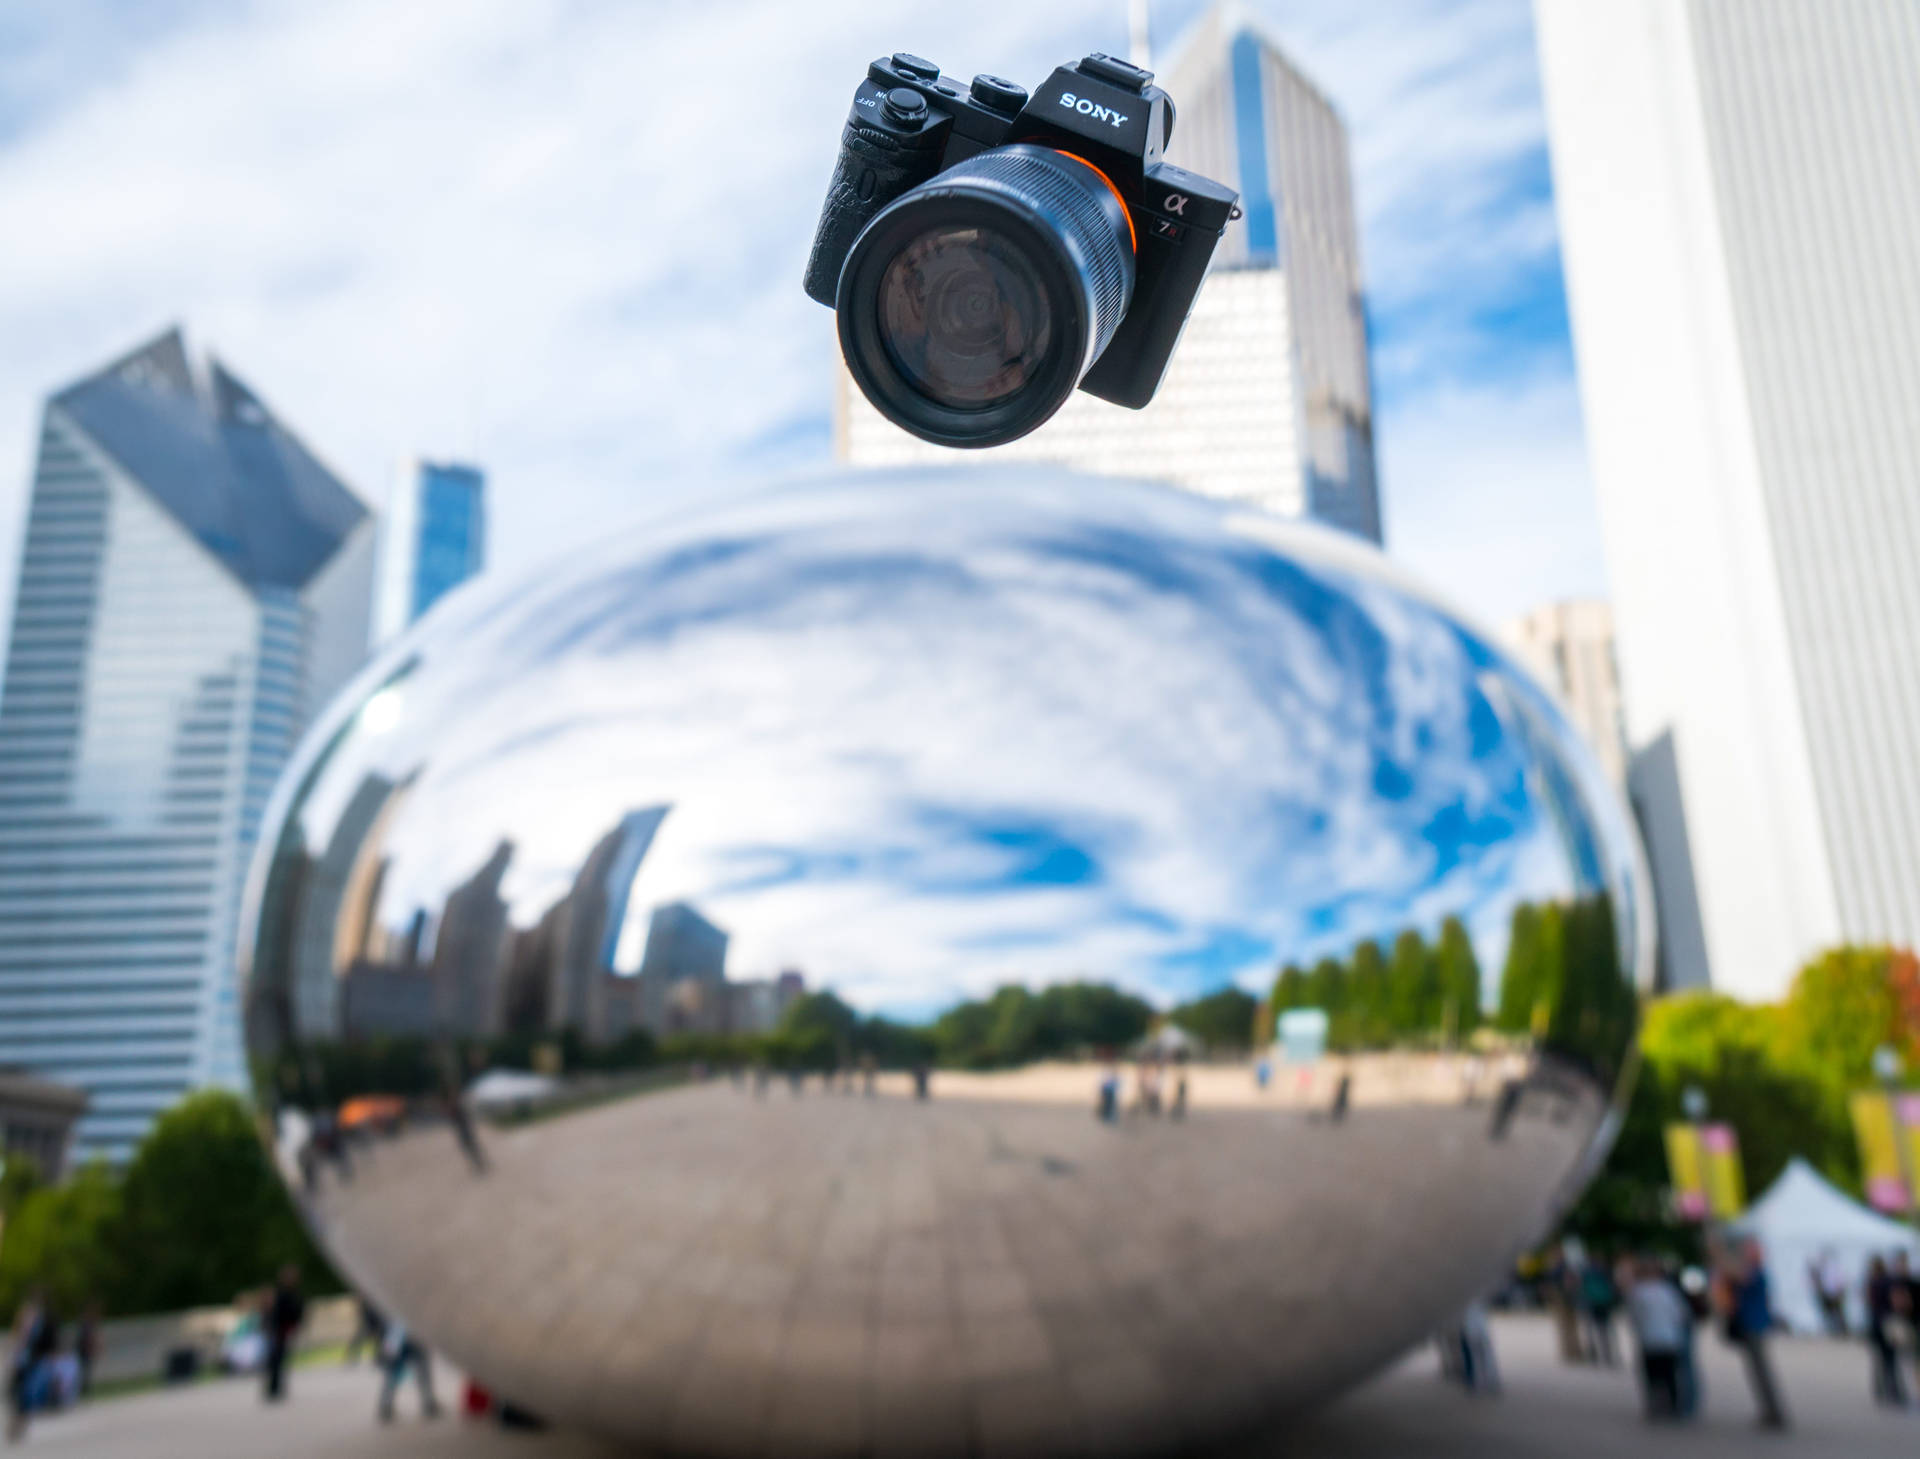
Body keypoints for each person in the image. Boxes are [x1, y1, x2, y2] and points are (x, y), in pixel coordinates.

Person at [1721, 1239, 1789, 1430]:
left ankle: (1773, 1413)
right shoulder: (1758, 1272)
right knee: (1759, 1373)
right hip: (1754, 1326)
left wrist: (1719, 1253)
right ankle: (1770, 1411)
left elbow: (1736, 1276)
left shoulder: (1756, 1273)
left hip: (1754, 1327)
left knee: (1761, 1372)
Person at [1626, 1257, 1691, 1419]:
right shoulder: (1668, 1291)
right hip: (1669, 1339)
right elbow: (1681, 1314)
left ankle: (1656, 1406)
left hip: (1650, 1340)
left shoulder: (1637, 1292)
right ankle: (1672, 1407)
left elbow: (1634, 1318)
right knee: (1669, 1376)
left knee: (1653, 1377)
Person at [6, 1288, 56, 1442]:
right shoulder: (29, 1318)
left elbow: (43, 1341)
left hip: (31, 1361)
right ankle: (15, 1426)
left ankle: (18, 1427)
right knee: (16, 1394)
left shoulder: (42, 1320)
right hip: (22, 1360)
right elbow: (18, 1338)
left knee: (26, 1396)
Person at [377, 1319, 442, 1423]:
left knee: (396, 1372)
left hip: (401, 1334)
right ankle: (428, 1403)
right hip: (403, 1333)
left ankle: (386, 1405)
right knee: (417, 1370)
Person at [1865, 1255, 1907, 1406]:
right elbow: (1899, 1302)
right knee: (1891, 1358)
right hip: (1889, 1321)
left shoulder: (1872, 1282)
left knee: (1879, 1358)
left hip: (1876, 1322)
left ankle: (1879, 1390)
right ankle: (1894, 1391)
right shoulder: (1890, 1281)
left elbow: (1868, 1300)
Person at [262, 1265, 306, 1402]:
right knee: (276, 1359)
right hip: (279, 1329)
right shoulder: (283, 1293)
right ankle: (273, 1388)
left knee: (279, 1360)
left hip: (283, 1329)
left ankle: (275, 1387)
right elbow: (277, 1313)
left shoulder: (289, 1292)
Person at [1580, 1256, 1620, 1365]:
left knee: (1594, 1330)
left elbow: (1582, 1289)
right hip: (1603, 1302)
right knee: (1606, 1330)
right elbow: (1613, 1287)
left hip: (1593, 1303)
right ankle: (1608, 1354)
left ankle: (1595, 1355)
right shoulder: (1604, 1272)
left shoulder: (1586, 1273)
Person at [1810, 1248, 1848, 1337]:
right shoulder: (1824, 1268)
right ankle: (1834, 1330)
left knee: (1838, 1313)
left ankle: (1842, 1331)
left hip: (1836, 1294)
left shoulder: (1835, 1268)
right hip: (1828, 1294)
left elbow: (1839, 1281)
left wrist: (1838, 1292)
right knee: (1831, 1313)